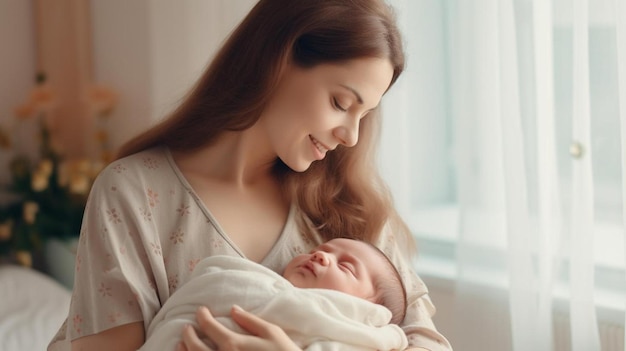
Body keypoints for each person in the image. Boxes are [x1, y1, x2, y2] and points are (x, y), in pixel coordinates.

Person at [48, 0, 453, 350]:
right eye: (340, 102)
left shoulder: (349, 211)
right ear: (275, 61)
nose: (350, 136)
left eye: (364, 115)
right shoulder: (134, 195)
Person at [140, 238, 409, 351]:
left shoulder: (353, 337)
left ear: (369, 310)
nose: (322, 255)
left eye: (345, 266)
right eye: (321, 248)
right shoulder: (260, 283)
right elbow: (214, 284)